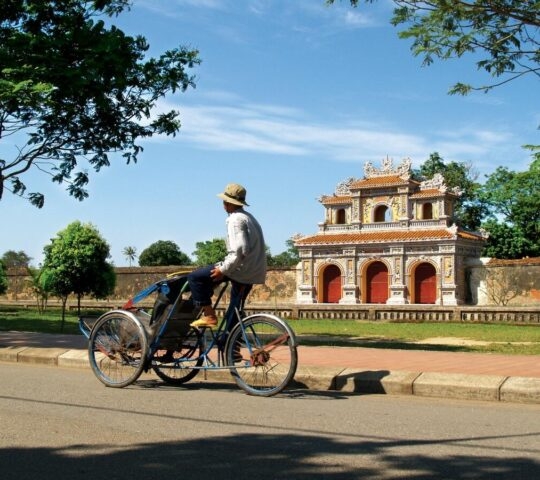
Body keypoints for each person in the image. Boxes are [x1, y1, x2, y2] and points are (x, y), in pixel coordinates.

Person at [187, 183, 267, 329]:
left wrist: (222, 270)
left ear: (228, 202)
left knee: (195, 278)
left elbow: (239, 250)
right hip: (252, 271)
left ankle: (209, 315)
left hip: (241, 270)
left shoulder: (235, 219)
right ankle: (230, 348)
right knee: (234, 311)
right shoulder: (249, 217)